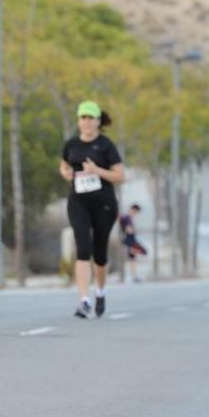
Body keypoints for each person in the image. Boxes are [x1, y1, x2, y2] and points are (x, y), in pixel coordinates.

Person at [59, 101, 125, 319]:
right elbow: (64, 164)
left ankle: (100, 291)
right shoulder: (71, 144)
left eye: (91, 118)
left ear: (98, 121)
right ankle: (84, 300)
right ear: (78, 121)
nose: (87, 122)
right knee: (82, 247)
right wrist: (66, 173)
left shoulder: (106, 146)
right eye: (83, 118)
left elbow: (120, 176)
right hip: (79, 202)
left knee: (99, 253)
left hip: (104, 204)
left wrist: (97, 170)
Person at [119, 203, 147, 282]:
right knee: (144, 251)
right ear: (133, 210)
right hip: (130, 240)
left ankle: (134, 276)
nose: (136, 214)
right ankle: (128, 249)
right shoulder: (127, 218)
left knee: (132, 259)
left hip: (130, 240)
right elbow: (129, 230)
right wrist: (135, 230)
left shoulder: (127, 217)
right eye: (136, 212)